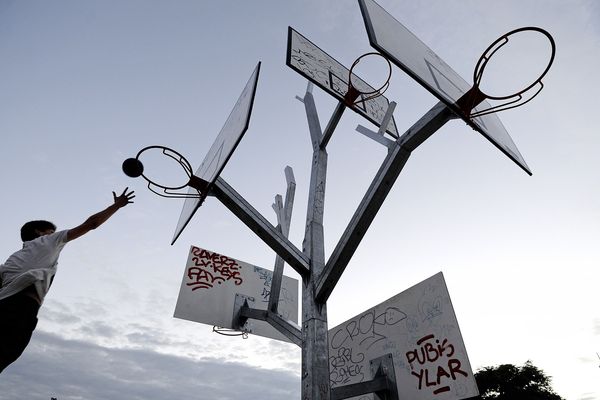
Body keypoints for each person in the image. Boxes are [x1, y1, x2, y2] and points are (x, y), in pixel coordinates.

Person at [0, 188, 135, 373]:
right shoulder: (48, 242)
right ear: (40, 232)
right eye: (51, 231)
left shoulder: (12, 260)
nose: (55, 234)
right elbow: (92, 224)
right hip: (19, 309)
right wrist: (117, 206)